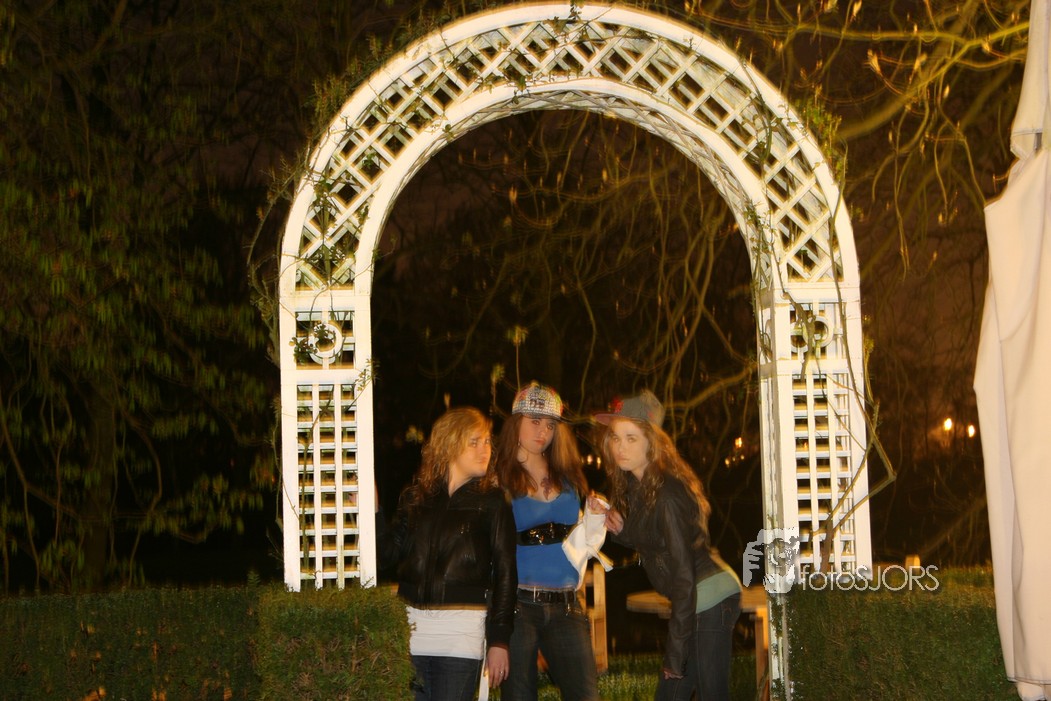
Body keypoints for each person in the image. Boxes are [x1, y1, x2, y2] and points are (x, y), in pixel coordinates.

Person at [592, 390, 742, 701]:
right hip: (695, 600)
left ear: (652, 442)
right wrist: (621, 530)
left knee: (712, 694)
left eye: (631, 438)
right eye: (616, 437)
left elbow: (684, 575)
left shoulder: (666, 494)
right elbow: (655, 541)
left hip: (708, 597)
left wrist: (675, 652)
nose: (620, 447)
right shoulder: (642, 487)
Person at [378, 407, 517, 701]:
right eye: (474, 442)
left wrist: (499, 641)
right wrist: (374, 511)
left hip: (460, 637)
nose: (485, 449)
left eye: (487, 441)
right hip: (410, 634)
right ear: (449, 444)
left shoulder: (493, 501)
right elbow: (385, 556)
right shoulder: (416, 497)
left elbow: (506, 574)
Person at [494, 382, 606, 701]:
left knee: (586, 696)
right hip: (518, 606)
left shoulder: (568, 474)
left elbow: (582, 542)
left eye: (550, 425)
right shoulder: (499, 477)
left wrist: (596, 516)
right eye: (534, 421)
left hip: (567, 605)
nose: (543, 431)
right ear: (516, 423)